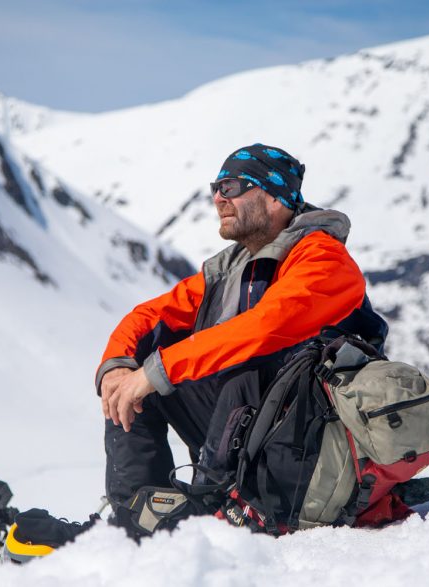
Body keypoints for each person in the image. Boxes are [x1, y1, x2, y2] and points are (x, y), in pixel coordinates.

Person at [95, 144, 388, 530]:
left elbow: (265, 327)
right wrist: (118, 369)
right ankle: (135, 515)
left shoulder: (323, 259)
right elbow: (150, 316)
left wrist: (157, 372)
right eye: (215, 188)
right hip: (265, 431)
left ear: (274, 197)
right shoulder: (234, 268)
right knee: (132, 385)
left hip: (318, 446)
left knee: (236, 370)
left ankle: (209, 513)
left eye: (231, 187)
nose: (218, 198)